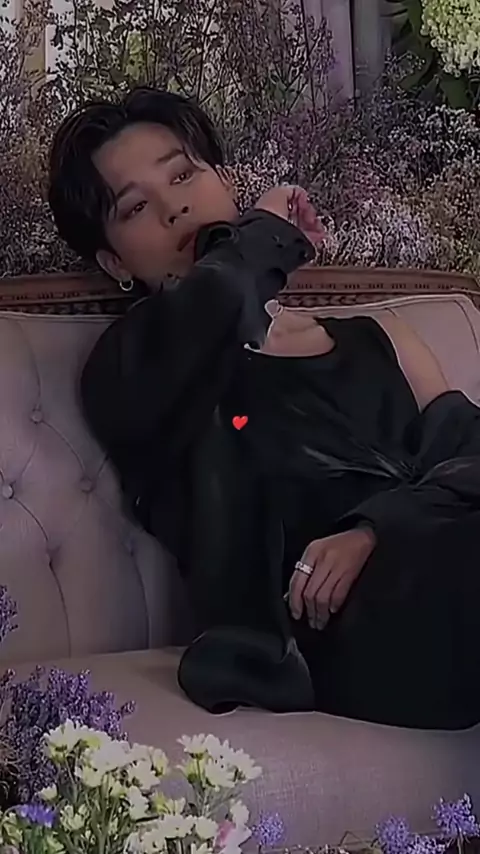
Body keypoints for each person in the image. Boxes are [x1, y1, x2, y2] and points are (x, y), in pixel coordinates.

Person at [48, 86, 480, 730]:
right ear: (114, 262)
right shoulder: (130, 370)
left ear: (224, 181)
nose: (175, 207)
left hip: (442, 568)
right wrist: (261, 238)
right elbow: (215, 301)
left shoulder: (384, 339)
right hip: (323, 631)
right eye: (136, 206)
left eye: (183, 174)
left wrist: (374, 528)